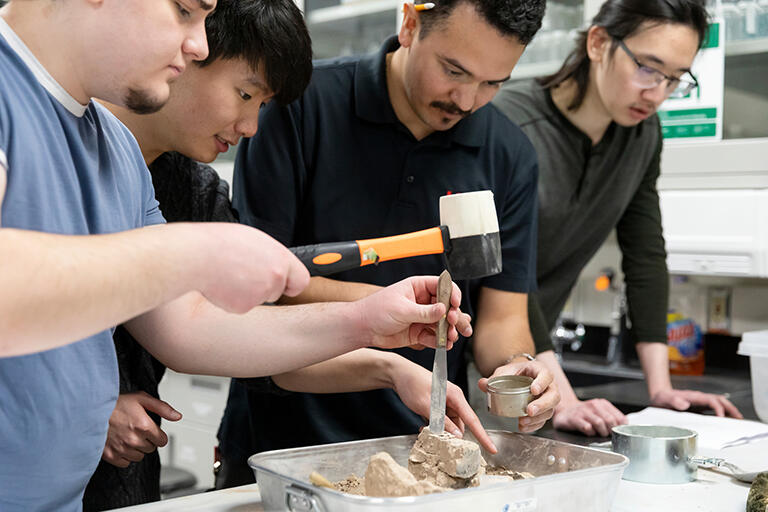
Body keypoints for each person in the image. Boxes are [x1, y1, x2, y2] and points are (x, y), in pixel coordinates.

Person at [0, 1, 473, 510]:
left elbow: (191, 326)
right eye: (184, 10)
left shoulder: (116, 150)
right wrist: (192, 251)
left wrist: (365, 320)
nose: (199, 44)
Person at [216, 0, 561, 488]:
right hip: (281, 444)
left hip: (423, 455)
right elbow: (258, 285)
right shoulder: (298, 105)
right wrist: (383, 308)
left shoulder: (509, 155)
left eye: (492, 83)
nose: (466, 100)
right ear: (410, 22)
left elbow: (503, 318)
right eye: (453, 70)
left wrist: (522, 367)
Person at [491, 0, 743, 438]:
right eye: (648, 68)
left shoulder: (643, 136)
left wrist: (661, 389)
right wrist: (565, 399)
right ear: (598, 42)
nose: (658, 93)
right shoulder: (509, 124)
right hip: (481, 355)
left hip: (536, 372)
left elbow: (645, 254)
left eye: (675, 79)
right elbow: (507, 270)